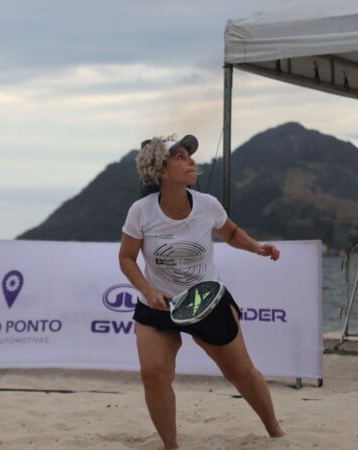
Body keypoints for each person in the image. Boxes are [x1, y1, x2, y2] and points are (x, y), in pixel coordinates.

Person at [118, 135, 284, 449]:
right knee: (153, 373)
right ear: (161, 171)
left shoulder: (207, 205)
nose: (191, 160)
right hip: (161, 304)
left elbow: (231, 233)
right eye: (181, 156)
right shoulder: (141, 211)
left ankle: (275, 431)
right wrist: (148, 290)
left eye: (189, 155)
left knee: (241, 372)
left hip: (206, 299)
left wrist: (258, 248)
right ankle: (171, 445)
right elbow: (126, 258)